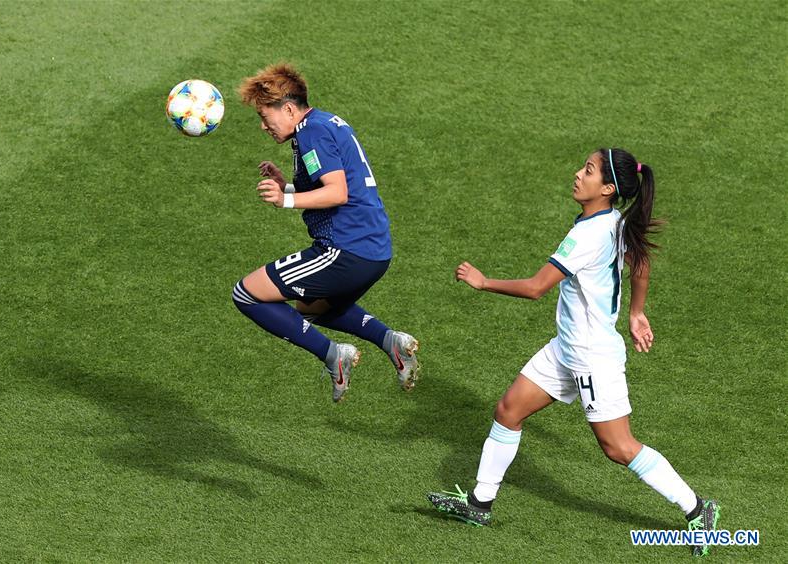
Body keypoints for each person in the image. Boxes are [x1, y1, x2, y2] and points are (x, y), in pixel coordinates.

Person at [426, 148, 720, 556]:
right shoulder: (615, 221)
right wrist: (636, 312)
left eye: (589, 170)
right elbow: (641, 263)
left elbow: (536, 288)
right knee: (508, 410)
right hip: (567, 347)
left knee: (618, 447)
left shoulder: (589, 235)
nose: (578, 174)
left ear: (607, 188)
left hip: (591, 356)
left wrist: (484, 281)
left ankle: (699, 509)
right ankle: (480, 504)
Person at [232, 63, 419, 403]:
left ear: (289, 109)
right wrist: (287, 185)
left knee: (247, 294)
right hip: (374, 252)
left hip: (345, 249)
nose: (262, 125)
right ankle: (391, 342)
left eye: (264, 116)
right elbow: (339, 182)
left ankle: (334, 355)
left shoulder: (311, 133)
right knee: (308, 308)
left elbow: (337, 192)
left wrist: (285, 200)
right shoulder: (326, 122)